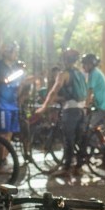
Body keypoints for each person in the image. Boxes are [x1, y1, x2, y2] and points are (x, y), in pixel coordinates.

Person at [37, 49, 90, 177]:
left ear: (65, 60)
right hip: (81, 109)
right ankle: (78, 167)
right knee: (80, 139)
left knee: (68, 140)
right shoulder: (80, 73)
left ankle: (66, 168)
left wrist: (44, 107)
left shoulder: (63, 74)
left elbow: (54, 91)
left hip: (70, 110)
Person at [0, 42, 25, 169]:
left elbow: (20, 83)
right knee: (3, 133)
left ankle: (5, 158)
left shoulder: (15, 68)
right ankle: (1, 161)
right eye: (14, 51)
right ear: (7, 52)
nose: (16, 54)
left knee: (10, 132)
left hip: (13, 103)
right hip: (2, 104)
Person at [82, 53, 105, 170]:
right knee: (101, 132)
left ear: (91, 64)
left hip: (102, 107)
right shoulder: (97, 73)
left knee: (88, 128)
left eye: (85, 64)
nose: (83, 66)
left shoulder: (94, 74)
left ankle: (101, 149)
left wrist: (86, 106)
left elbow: (89, 91)